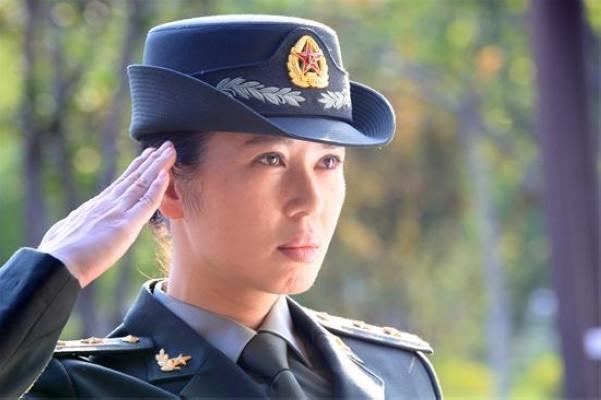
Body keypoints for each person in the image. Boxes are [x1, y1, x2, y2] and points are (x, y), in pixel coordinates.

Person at [0, 14, 442, 398]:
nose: (309, 202)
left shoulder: (398, 374)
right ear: (171, 187)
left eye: (328, 162)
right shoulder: (75, 388)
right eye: (271, 159)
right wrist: (52, 270)